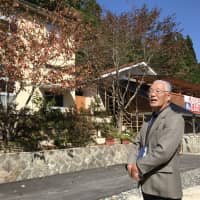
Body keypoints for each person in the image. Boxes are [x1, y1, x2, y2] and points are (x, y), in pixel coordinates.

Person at [127, 80, 184, 200]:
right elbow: (136, 143)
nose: (152, 94)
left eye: (157, 91)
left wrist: (138, 166)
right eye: (150, 91)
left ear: (168, 96)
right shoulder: (148, 120)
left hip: (164, 188)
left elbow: (163, 151)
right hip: (146, 184)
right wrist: (130, 162)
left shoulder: (175, 119)